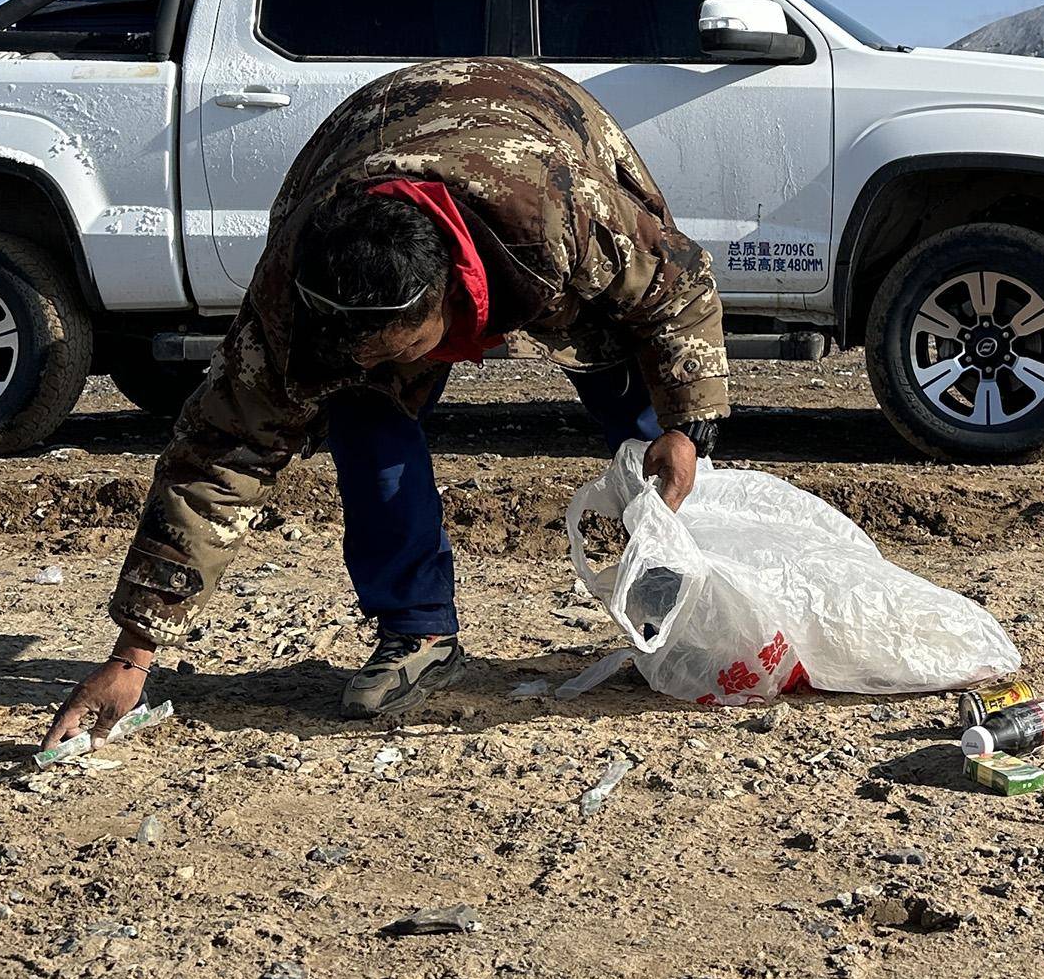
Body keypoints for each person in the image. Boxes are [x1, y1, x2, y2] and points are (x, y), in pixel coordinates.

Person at [44, 58, 727, 743]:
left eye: (402, 347)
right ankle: (419, 632)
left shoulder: (557, 215)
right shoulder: (291, 304)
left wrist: (686, 422)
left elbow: (678, 290)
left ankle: (700, 609)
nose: (392, 363)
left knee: (647, 423)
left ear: (446, 296)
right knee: (365, 415)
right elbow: (216, 464)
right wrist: (132, 654)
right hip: (359, 142)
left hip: (545, 131)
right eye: (358, 351)